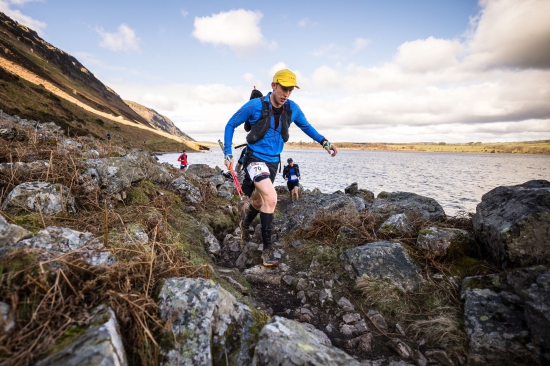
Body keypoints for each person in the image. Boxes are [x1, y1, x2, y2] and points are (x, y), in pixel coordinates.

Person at [223, 69, 338, 267]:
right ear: (273, 85)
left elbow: (307, 127)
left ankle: (245, 223)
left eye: (290, 90)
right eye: (284, 88)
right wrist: (228, 152)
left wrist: (325, 142)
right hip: (254, 159)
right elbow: (230, 124)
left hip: (274, 162)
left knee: (259, 202)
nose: (286, 93)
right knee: (272, 198)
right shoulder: (255, 106)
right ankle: (267, 249)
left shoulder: (293, 109)